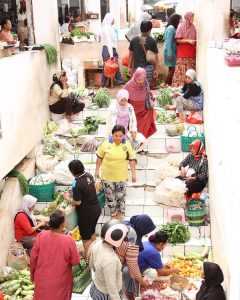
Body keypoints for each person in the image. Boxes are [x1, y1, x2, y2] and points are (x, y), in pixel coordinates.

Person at [30, 210, 80, 300]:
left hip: (41, 279)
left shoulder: (41, 235)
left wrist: (32, 275)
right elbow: (76, 261)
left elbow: (33, 258)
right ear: (62, 225)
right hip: (60, 282)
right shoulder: (68, 240)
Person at [95, 125, 136, 219]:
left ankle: (120, 213)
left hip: (121, 177)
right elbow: (99, 157)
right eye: (116, 135)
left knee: (121, 197)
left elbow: (132, 159)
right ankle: (113, 214)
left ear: (124, 136)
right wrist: (97, 170)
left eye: (120, 136)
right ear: (112, 135)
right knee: (110, 197)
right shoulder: (105, 143)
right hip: (107, 177)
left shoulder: (127, 144)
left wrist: (133, 173)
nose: (118, 138)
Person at [88, 219, 129, 300]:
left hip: (96, 286)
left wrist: (99, 274)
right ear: (117, 238)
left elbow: (91, 263)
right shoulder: (110, 260)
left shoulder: (97, 243)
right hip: (105, 294)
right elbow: (111, 287)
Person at [68, 160, 101, 255]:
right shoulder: (88, 175)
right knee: (92, 231)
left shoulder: (77, 183)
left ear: (73, 171)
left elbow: (77, 202)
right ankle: (96, 253)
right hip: (96, 208)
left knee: (85, 237)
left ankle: (89, 257)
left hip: (86, 213)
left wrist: (69, 199)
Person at [120, 214, 156, 298]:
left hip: (111, 249)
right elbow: (133, 268)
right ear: (142, 228)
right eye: (146, 230)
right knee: (128, 270)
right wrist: (143, 283)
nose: (147, 233)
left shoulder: (128, 225)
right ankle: (130, 292)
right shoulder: (134, 242)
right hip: (113, 261)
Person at [124, 68, 157, 139]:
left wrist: (150, 96)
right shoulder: (128, 85)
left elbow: (148, 93)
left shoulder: (145, 84)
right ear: (135, 77)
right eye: (139, 79)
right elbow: (122, 96)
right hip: (133, 111)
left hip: (143, 110)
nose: (141, 81)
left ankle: (142, 140)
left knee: (150, 112)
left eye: (143, 79)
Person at [172, 12, 197, 87]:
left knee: (190, 70)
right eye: (192, 18)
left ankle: (189, 87)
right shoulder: (181, 27)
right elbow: (177, 40)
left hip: (191, 52)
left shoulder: (193, 27)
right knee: (180, 71)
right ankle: (179, 87)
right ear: (188, 18)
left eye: (193, 18)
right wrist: (188, 41)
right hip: (183, 52)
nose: (193, 19)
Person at [100, 13, 123, 87]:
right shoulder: (107, 29)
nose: (114, 21)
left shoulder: (105, 29)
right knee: (110, 66)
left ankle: (105, 84)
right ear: (110, 19)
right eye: (113, 19)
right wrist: (112, 55)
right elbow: (109, 43)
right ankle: (117, 81)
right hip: (109, 49)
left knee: (108, 66)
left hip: (106, 49)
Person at [162, 14, 182, 87]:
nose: (180, 21)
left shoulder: (171, 27)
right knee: (173, 68)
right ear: (175, 20)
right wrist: (169, 53)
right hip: (170, 52)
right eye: (180, 19)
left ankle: (168, 84)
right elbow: (168, 42)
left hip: (171, 51)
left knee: (171, 68)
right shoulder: (171, 29)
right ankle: (165, 83)